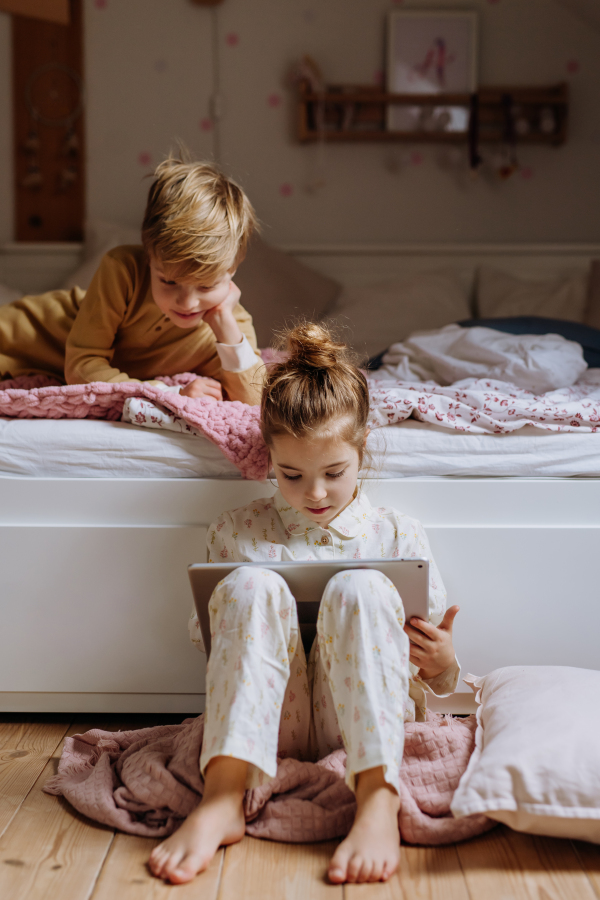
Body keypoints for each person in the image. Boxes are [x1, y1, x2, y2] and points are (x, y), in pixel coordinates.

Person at [149, 323, 460, 885]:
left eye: (334, 474)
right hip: (273, 723)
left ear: (361, 450)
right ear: (269, 456)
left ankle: (377, 800)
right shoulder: (235, 530)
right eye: (291, 475)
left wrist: (443, 666)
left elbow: (435, 673)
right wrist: (254, 610)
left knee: (362, 586)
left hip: (359, 724)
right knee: (249, 584)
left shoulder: (398, 536)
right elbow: (216, 646)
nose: (314, 494)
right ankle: (222, 799)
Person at [0, 157, 264, 404]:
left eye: (206, 286)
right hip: (29, 331)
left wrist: (224, 326)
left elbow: (257, 400)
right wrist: (168, 395)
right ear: (149, 257)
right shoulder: (123, 269)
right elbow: (82, 366)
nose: (187, 302)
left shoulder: (231, 326)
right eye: (169, 282)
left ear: (232, 270)